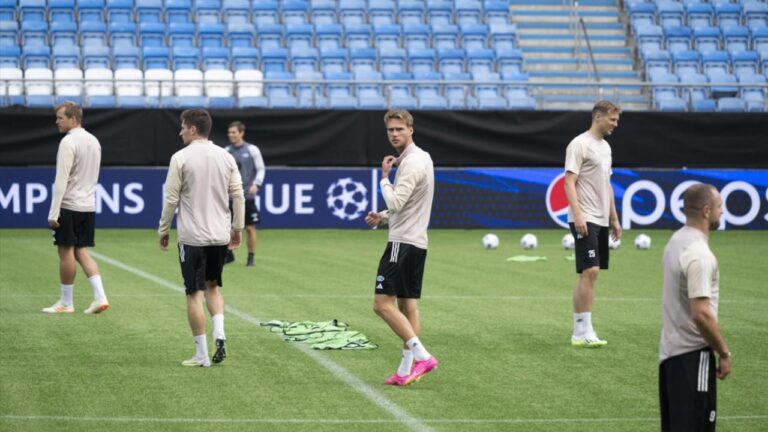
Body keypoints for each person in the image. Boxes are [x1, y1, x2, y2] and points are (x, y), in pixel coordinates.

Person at [158, 109, 245, 368]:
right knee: (213, 287)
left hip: (193, 237)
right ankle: (220, 332)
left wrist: (163, 229)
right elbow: (238, 195)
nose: (180, 132)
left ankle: (202, 354)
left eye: (183, 127)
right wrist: (237, 228)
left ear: (193, 129)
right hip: (219, 236)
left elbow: (171, 198)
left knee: (194, 293)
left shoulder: (180, 157)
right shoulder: (226, 156)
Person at [365, 109, 438, 387]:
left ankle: (423, 357)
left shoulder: (411, 162)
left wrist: (384, 177)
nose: (394, 134)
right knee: (408, 307)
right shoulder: (421, 157)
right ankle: (405, 370)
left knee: (381, 305)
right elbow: (407, 205)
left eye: (399, 129)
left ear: (411, 130)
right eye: (390, 130)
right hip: (416, 242)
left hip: (402, 243)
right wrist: (382, 217)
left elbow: (396, 202)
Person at [659, 183, 731, 432]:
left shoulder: (675, 242)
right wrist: (724, 353)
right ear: (706, 211)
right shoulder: (699, 254)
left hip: (670, 357)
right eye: (720, 206)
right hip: (693, 357)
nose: (723, 211)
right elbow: (701, 314)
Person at [564, 100, 622, 348]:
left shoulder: (606, 148)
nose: (615, 124)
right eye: (612, 119)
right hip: (584, 216)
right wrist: (578, 214)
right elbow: (568, 182)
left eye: (617, 120)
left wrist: (614, 218)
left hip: (601, 218)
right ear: (598, 117)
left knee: (587, 273)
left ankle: (579, 332)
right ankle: (586, 330)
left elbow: (606, 185)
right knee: (591, 271)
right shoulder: (579, 144)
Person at [43, 101, 110, 315]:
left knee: (65, 252)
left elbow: (61, 178)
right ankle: (100, 297)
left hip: (69, 204)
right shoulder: (94, 141)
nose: (57, 121)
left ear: (73, 119)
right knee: (81, 251)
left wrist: (54, 212)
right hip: (88, 205)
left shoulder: (68, 141)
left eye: (60, 118)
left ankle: (66, 303)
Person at [224, 121, 265, 267]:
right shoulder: (226, 151)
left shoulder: (252, 149)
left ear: (241, 133)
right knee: (226, 228)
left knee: (249, 227)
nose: (231, 135)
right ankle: (229, 254)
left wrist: (257, 184)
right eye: (229, 132)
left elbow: (260, 168)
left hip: (246, 196)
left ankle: (251, 257)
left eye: (234, 132)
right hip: (230, 196)